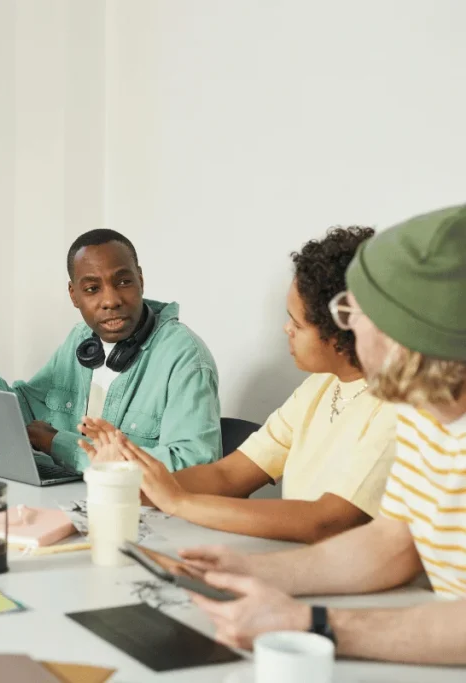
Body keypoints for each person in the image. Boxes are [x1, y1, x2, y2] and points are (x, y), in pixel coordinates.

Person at [179, 205, 466, 664]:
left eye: (352, 311)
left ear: (409, 334)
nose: (347, 329)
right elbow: (393, 543)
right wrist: (250, 570)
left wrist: (311, 624)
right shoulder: (423, 412)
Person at [81, 227, 396, 543]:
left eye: (298, 324)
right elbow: (228, 475)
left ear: (343, 332)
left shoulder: (398, 408)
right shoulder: (321, 386)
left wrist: (178, 502)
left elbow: (326, 522)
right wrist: (126, 484)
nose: (286, 329)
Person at [0, 229, 221, 473]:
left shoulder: (185, 358)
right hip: (73, 497)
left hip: (145, 515)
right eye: (92, 288)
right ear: (74, 295)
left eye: (123, 282)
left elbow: (194, 464)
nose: (110, 300)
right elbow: (24, 414)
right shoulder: (81, 339)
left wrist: (61, 446)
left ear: (141, 280)